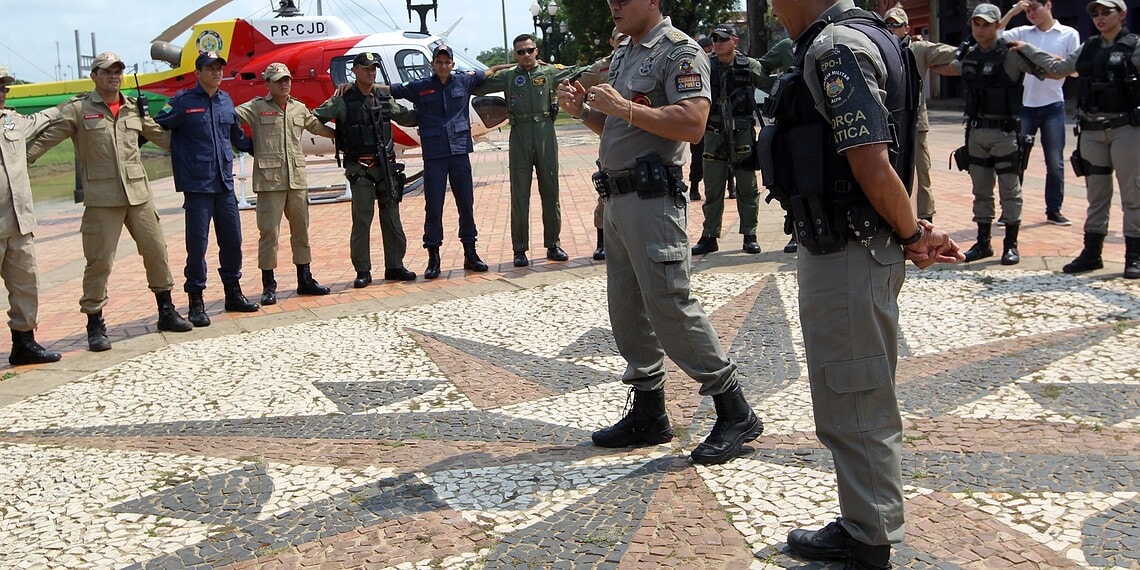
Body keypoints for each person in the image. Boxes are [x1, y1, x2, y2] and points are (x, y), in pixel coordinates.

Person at [760, 0, 962, 566]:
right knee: (856, 389)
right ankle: (865, 522)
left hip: (848, 248)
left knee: (854, 395)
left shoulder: (836, 47)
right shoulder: (863, 38)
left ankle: (869, 538)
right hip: (856, 240)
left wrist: (911, 233)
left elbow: (872, 161)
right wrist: (910, 228)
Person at [556, 0, 764, 466]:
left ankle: (734, 409)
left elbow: (693, 123)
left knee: (670, 303)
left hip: (652, 200)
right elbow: (613, 125)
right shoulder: (627, 51)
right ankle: (650, 412)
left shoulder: (679, 51)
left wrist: (623, 107)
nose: (613, 4)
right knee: (627, 309)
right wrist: (583, 112)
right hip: (617, 198)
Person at [26, 51, 193, 352]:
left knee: (157, 252)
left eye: (118, 71)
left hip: (138, 195)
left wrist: (196, 133)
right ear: (94, 76)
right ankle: (95, 323)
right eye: (107, 71)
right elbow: (48, 138)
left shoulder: (133, 109)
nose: (114, 76)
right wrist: (19, 160)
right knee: (100, 262)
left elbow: (163, 138)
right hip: (102, 200)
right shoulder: (79, 110)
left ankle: (166, 311)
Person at [1029, 0, 1140, 278]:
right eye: (1095, 13)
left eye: (1106, 12)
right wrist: (1027, 50)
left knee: (1133, 194)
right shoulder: (1088, 47)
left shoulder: (1134, 45)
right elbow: (1059, 68)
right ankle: (1092, 253)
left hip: (1126, 128)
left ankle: (1134, 256)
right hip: (1091, 130)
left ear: (1122, 14)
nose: (1099, 18)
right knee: (1097, 195)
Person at [937, 4, 1054, 266]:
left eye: (986, 24)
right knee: (981, 191)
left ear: (997, 25)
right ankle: (983, 242)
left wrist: (1028, 49)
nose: (980, 29)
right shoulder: (968, 54)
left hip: (1005, 133)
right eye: (976, 24)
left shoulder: (1011, 53)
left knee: (1010, 190)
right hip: (976, 132)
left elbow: (1049, 69)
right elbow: (946, 67)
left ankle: (1010, 245)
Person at [154, 51, 258, 326]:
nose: (216, 73)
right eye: (210, 69)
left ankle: (232, 293)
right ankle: (196, 301)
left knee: (233, 241)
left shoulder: (226, 101)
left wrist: (261, 147)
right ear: (198, 72)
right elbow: (155, 126)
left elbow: (237, 137)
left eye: (219, 68)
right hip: (197, 186)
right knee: (197, 247)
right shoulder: (182, 102)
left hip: (224, 184)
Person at [474, 35, 588, 268]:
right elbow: (477, 85)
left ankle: (553, 244)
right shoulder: (508, 77)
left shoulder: (549, 73)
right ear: (515, 55)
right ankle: (519, 249)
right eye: (520, 52)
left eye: (529, 50)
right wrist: (495, 68)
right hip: (520, 134)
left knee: (550, 190)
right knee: (519, 194)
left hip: (545, 132)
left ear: (536, 51)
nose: (526, 55)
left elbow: (580, 71)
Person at [315, 53, 417, 288]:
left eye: (374, 69)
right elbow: (314, 117)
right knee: (362, 220)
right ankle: (363, 270)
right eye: (366, 68)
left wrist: (432, 111)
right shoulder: (342, 99)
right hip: (360, 168)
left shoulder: (383, 98)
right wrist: (334, 135)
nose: (371, 72)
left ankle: (395, 266)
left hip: (386, 167)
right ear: (355, 71)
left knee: (392, 219)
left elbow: (407, 117)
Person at [237, 63, 337, 304]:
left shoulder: (298, 108)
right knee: (269, 234)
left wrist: (340, 135)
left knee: (301, 232)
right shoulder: (256, 107)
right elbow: (229, 117)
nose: (284, 83)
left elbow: (316, 126)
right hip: (270, 182)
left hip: (296, 180)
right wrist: (243, 143)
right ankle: (269, 284)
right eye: (279, 80)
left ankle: (305, 279)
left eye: (287, 79)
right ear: (268, 84)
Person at [389, 45, 489, 278]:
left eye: (447, 62)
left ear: (453, 65)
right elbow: (391, 90)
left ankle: (470, 253)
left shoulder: (464, 81)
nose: (443, 66)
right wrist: (357, 86)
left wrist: (521, 64)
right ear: (432, 64)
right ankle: (433, 257)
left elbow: (491, 72)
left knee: (466, 204)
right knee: (433, 207)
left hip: (459, 153)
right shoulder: (420, 87)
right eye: (439, 62)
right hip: (435, 156)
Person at [0, 71, 64, 366]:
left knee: (26, 284)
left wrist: (62, 108)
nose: (3, 92)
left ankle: (24, 344)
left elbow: (39, 121)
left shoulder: (11, 121)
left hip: (18, 222)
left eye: (4, 87)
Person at [690, 23, 768, 257]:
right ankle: (710, 236)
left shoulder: (749, 65)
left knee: (747, 187)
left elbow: (771, 85)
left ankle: (749, 235)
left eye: (723, 39)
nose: (718, 43)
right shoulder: (705, 65)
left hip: (741, 133)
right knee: (713, 188)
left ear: (735, 41)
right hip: (713, 134)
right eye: (715, 39)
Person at [1000, 0, 1080, 226]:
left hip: (1053, 105)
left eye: (1035, 8)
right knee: (1016, 160)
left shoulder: (1068, 34)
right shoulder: (1023, 32)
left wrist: (1040, 58)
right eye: (1027, 11)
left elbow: (1074, 70)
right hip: (1024, 105)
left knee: (1055, 161)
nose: (1031, 14)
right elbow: (994, 36)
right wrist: (1013, 12)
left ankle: (1054, 210)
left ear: (1049, 4)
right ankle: (1009, 210)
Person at [884, 6, 958, 224]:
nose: (890, 29)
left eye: (895, 25)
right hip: (888, 124)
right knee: (889, 174)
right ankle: (895, 219)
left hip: (916, 124)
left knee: (921, 173)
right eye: (886, 24)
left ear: (906, 28)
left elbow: (955, 54)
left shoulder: (918, 49)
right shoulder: (879, 48)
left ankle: (926, 218)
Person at [579, 28, 630, 261]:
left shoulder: (646, 59)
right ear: (611, 42)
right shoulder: (601, 67)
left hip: (640, 130)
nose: (623, 41)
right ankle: (602, 242)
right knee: (607, 186)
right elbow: (578, 86)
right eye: (619, 38)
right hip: (610, 133)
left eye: (626, 37)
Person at [688, 36, 715, 202]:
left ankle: (731, 186)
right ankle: (694, 187)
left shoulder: (717, 64)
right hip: (701, 118)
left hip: (715, 117)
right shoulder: (696, 63)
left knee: (723, 155)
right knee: (698, 156)